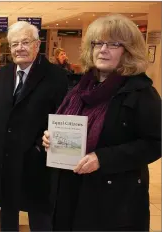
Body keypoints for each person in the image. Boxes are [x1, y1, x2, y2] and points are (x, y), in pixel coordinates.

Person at [42, 14, 161, 231]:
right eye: (97, 43)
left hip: (113, 200)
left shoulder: (141, 93)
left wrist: (103, 158)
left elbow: (155, 144)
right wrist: (52, 138)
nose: (103, 49)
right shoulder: (79, 88)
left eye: (113, 44)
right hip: (71, 190)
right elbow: (66, 124)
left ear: (129, 51)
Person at [0, 21, 68, 231]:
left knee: (40, 218)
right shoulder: (2, 74)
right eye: (14, 44)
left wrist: (41, 146)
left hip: (37, 160)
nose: (19, 48)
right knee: (8, 215)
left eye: (25, 42)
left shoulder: (56, 76)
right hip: (6, 159)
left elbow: (63, 116)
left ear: (37, 45)